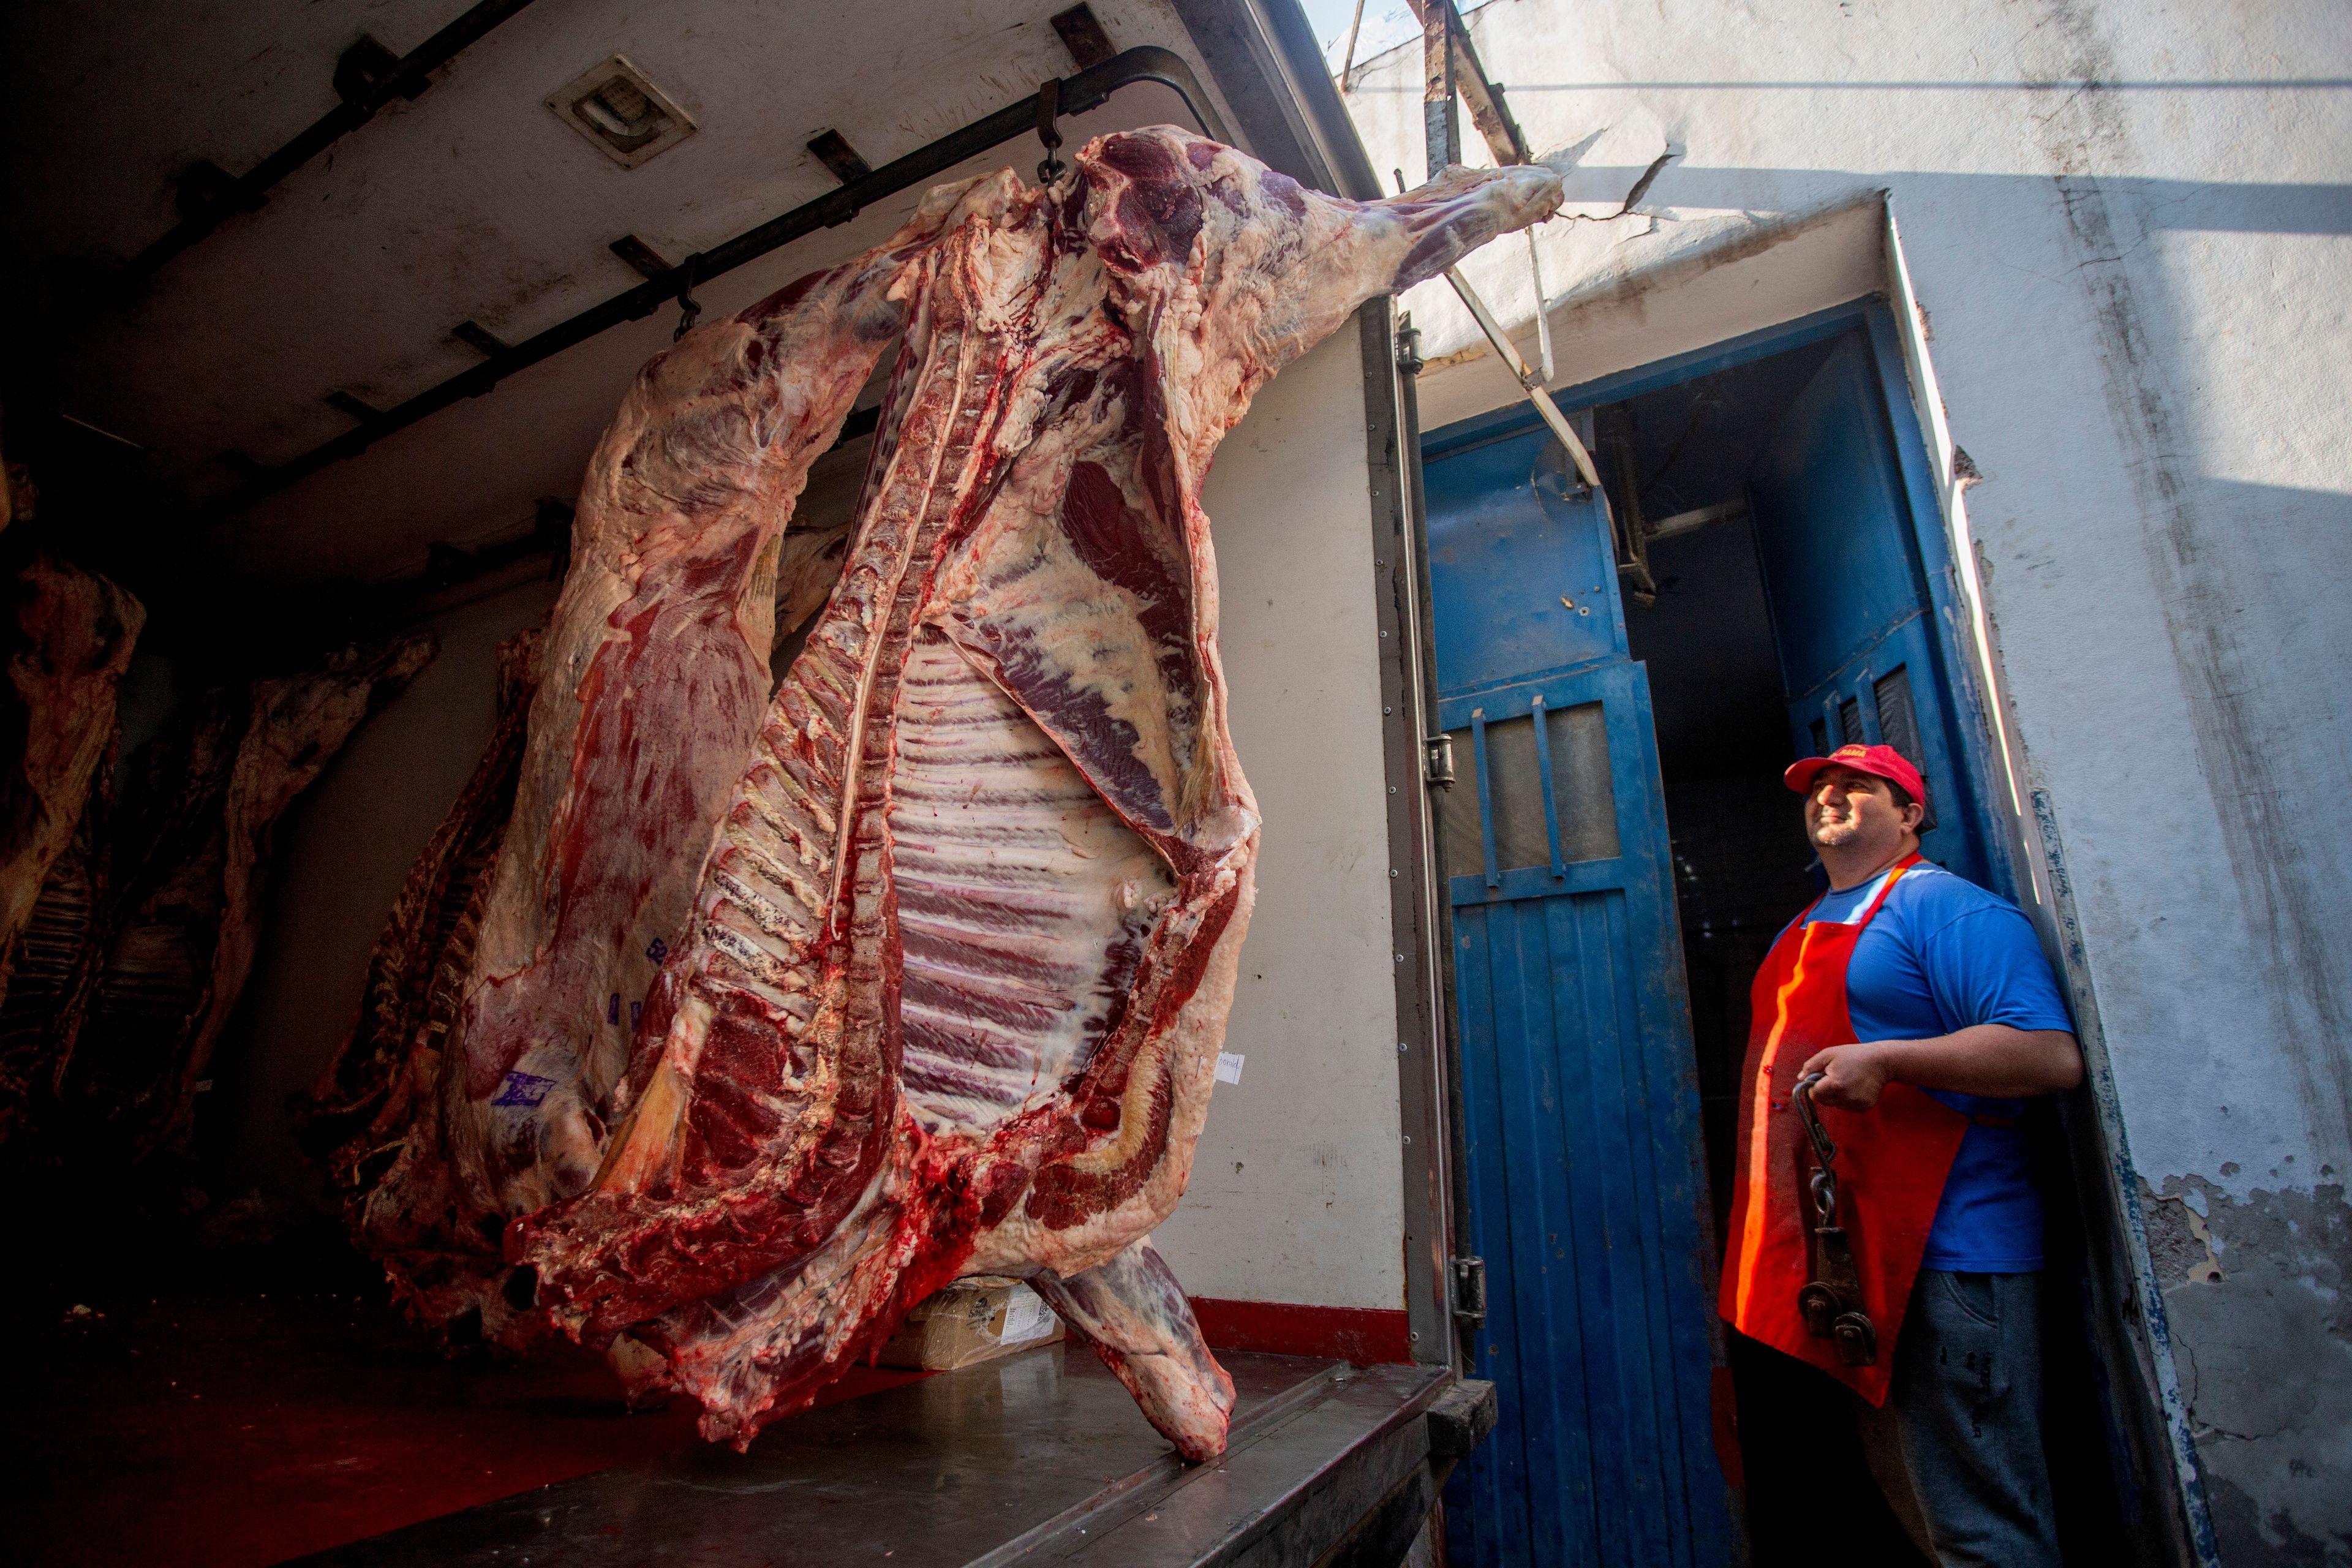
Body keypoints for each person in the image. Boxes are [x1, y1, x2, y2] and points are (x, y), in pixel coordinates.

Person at [1718, 742, 2083, 1567]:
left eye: (1858, 787)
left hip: (1948, 1255)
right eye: (1819, 789)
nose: (1830, 799)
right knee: (1907, 1488)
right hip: (1850, 1260)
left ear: (1912, 813)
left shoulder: (1946, 910)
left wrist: (1889, 1061)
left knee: (1979, 1516)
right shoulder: (1805, 927)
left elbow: (2048, 1055)